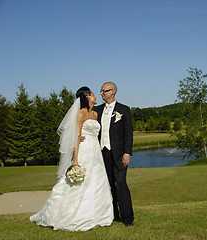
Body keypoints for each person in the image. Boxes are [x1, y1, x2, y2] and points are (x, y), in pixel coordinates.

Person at [30, 87, 114, 231]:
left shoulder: (95, 113)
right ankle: (67, 214)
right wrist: (75, 159)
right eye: (93, 94)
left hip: (96, 152)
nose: (96, 96)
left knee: (97, 182)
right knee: (77, 184)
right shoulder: (81, 113)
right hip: (84, 150)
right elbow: (76, 136)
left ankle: (98, 216)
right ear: (87, 96)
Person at [95, 81, 134, 227]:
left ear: (112, 92)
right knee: (108, 185)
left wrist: (127, 153)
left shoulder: (124, 109)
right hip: (102, 154)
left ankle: (128, 217)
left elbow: (128, 134)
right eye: (100, 91)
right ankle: (113, 215)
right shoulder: (97, 110)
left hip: (119, 154)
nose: (101, 93)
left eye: (104, 91)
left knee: (121, 184)